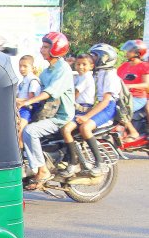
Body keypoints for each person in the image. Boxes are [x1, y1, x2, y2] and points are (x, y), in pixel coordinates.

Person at [17, 32, 74, 190]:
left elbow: (49, 93)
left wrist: (28, 101)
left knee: (30, 131)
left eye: (46, 47)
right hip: (47, 112)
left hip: (60, 116)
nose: (42, 49)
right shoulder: (47, 71)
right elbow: (37, 93)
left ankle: (42, 170)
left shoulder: (63, 70)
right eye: (42, 46)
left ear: (56, 49)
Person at [59, 44, 120, 178]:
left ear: (105, 57)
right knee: (65, 127)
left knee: (85, 128)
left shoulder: (110, 75)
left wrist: (87, 116)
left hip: (107, 107)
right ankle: (72, 161)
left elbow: (105, 101)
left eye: (95, 56)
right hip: (96, 107)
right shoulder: (98, 73)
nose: (93, 58)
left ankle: (100, 162)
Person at [117, 39, 149, 141]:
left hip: (138, 98)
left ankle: (133, 132)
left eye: (129, 51)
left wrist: (129, 86)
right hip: (124, 96)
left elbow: (146, 84)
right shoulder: (123, 66)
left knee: (121, 110)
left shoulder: (144, 66)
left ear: (137, 53)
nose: (126, 53)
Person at [16, 55, 42, 148]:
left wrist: (17, 100)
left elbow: (31, 99)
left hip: (27, 110)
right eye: (20, 66)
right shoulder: (22, 81)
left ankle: (21, 158)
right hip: (20, 109)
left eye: (25, 66)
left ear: (32, 67)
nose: (22, 68)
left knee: (19, 132)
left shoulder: (33, 80)